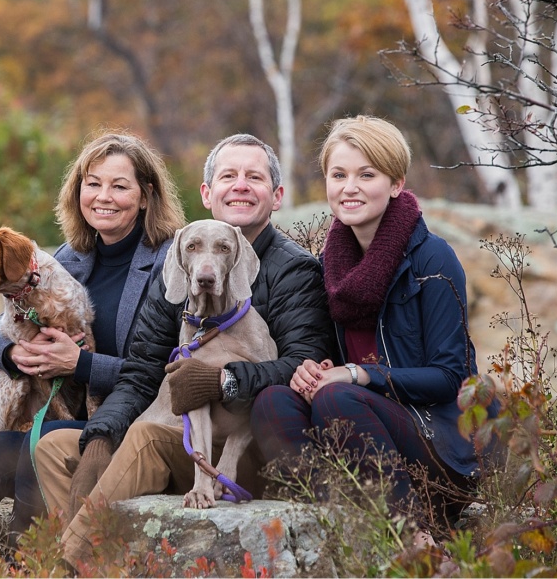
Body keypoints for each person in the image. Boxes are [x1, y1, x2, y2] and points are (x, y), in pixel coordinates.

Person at [33, 133, 333, 568]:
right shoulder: (179, 263)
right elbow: (142, 371)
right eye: (228, 175)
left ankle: (68, 563)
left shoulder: (295, 271)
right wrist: (101, 434)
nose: (241, 185)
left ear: (278, 195)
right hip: (187, 436)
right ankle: (108, 567)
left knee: (146, 436)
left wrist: (222, 381)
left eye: (255, 176)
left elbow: (301, 367)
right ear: (207, 194)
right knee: (57, 447)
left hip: (247, 449)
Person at [0, 132, 186, 561]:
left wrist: (80, 363)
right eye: (92, 183)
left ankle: (28, 563)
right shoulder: (71, 256)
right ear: (78, 191)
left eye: (119, 186)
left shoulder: (169, 261)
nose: (103, 196)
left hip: (131, 423)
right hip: (70, 419)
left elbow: (161, 369)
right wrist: (14, 354)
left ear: (145, 197)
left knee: (39, 446)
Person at [250, 115, 487, 545]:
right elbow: (335, 362)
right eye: (338, 175)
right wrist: (314, 370)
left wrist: (356, 375)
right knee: (273, 401)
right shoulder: (331, 267)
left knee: (337, 395)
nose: (349, 187)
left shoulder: (432, 260)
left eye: (367, 174)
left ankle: (414, 537)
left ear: (396, 183)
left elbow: (450, 377)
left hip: (437, 444)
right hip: (363, 433)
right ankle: (343, 523)